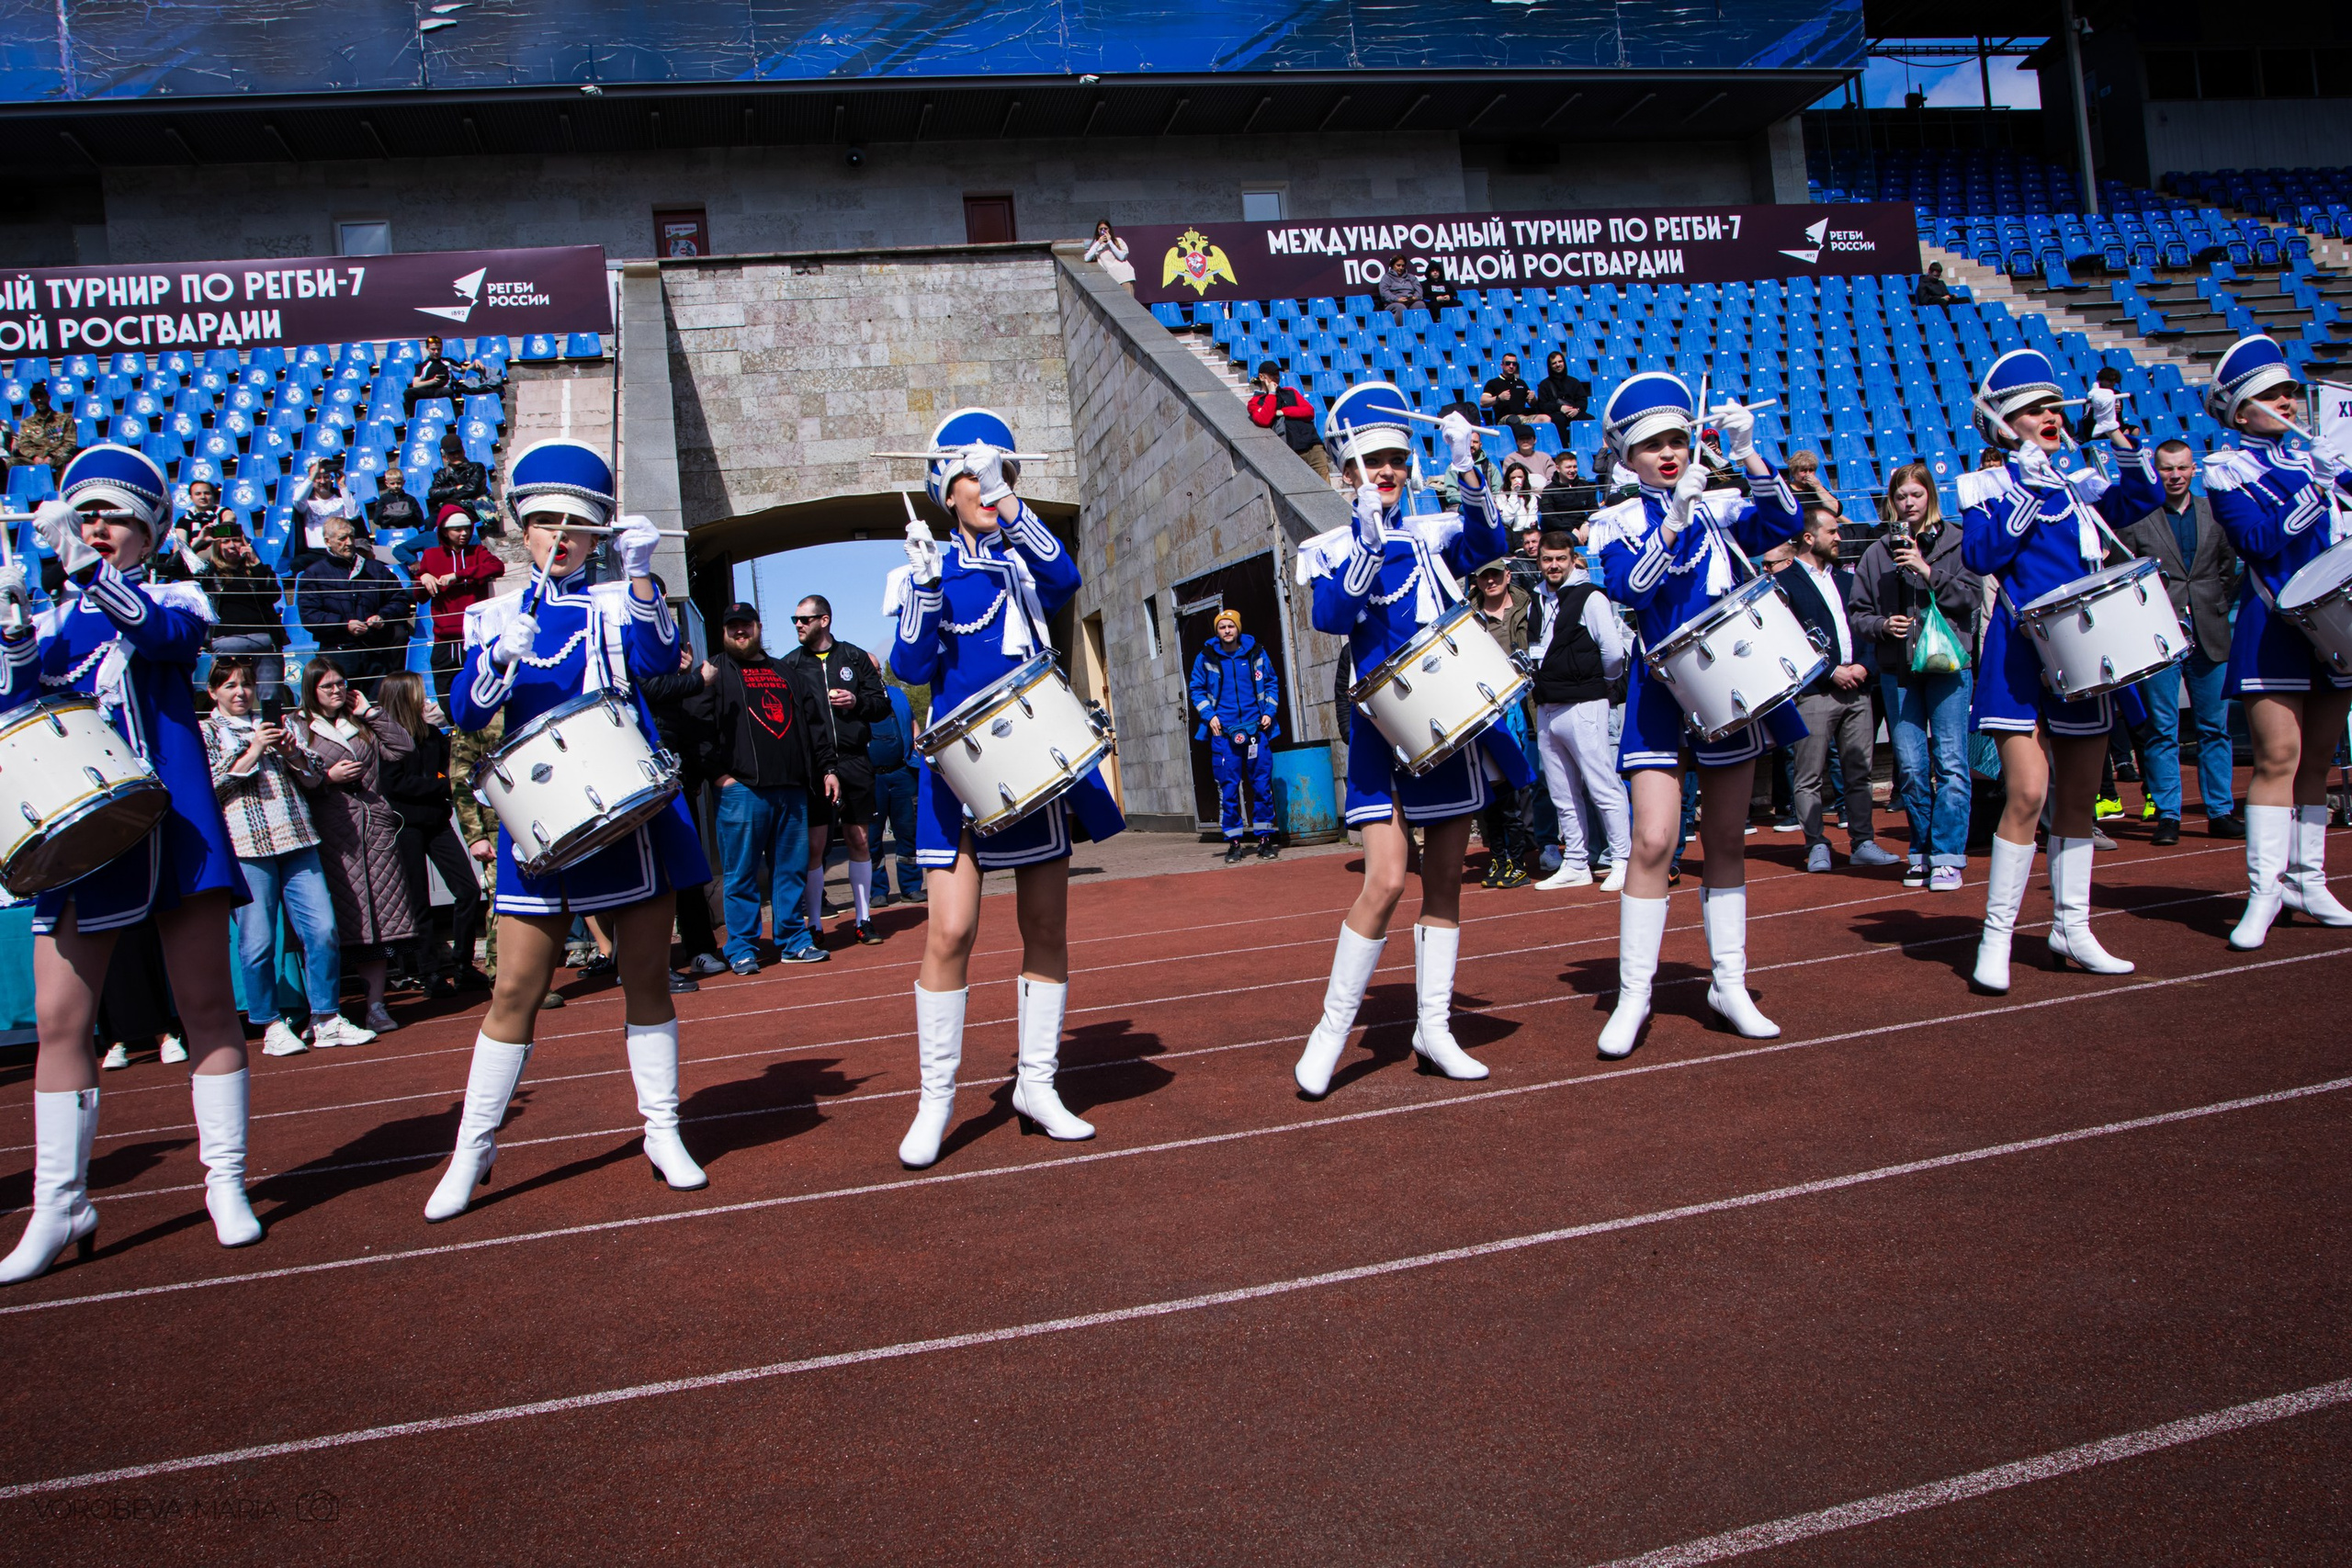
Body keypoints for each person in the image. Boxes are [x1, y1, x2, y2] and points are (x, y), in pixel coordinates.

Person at [424, 440, 714, 1221]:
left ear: (596, 533)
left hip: (629, 812)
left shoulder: (620, 601)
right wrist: (493, 665)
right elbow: (466, 715)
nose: (560, 535)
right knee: (516, 986)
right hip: (539, 823)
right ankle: (473, 1151)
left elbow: (659, 659)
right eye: (545, 521)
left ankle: (663, 1131)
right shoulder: (489, 613)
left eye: (576, 524)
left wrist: (645, 573)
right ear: (521, 530)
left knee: (646, 975)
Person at [0, 446, 265, 1283]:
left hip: (176, 826)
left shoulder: (173, 592)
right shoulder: (53, 621)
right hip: (84, 837)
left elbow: (167, 639)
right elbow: (17, 705)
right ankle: (60, 1201)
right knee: (60, 1021)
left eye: (113, 517)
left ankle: (225, 1180)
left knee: (208, 1008)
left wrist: (85, 571)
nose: (97, 528)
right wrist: (11, 628)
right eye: (86, 518)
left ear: (149, 530)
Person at [885, 407, 1126, 1166]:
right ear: (943, 491)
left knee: (1046, 927)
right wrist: (925, 589)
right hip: (960, 770)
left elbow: (1067, 578)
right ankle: (935, 1100)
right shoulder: (920, 567)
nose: (987, 487)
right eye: (972, 477)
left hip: (1035, 762)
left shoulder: (1026, 556)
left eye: (1001, 474)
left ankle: (1038, 1083)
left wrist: (1012, 505)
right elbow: (911, 668)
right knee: (951, 931)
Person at [1291, 382, 1532, 1097]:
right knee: (1388, 879)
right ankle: (1332, 1030)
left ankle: (1434, 1026)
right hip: (1380, 729)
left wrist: (1467, 466)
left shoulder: (1433, 532)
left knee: (1448, 878)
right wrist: (1365, 540)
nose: (1385, 471)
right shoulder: (1330, 546)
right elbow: (1333, 616)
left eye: (1395, 458)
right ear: (1344, 471)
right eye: (1370, 461)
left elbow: (1490, 547)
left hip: (1449, 719)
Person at [1588, 373, 1805, 1057]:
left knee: (1728, 838)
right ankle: (1633, 996)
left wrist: (1749, 454)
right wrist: (1676, 519)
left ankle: (1729, 984)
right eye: (1653, 445)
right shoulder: (1617, 520)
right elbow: (1631, 589)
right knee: (1652, 841)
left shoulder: (1721, 504)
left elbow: (1787, 524)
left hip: (1729, 683)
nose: (1669, 453)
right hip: (1660, 686)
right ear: (1628, 456)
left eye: (1678, 439)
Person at [1959, 348, 2165, 991]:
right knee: (2027, 791)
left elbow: (2145, 495)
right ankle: (1996, 937)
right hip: (2021, 650)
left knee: (2079, 795)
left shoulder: (2081, 481)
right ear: (2004, 422)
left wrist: (2113, 434)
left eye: (2054, 406)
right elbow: (1981, 553)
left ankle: (2071, 926)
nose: (2050, 416)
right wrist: (2024, 488)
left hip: (2085, 648)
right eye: (2033, 409)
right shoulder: (1985, 485)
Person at [2199, 335, 2352, 947]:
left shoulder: (2318, 460)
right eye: (2271, 395)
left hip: (2333, 623)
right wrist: (2313, 491)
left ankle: (2309, 878)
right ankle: (2265, 888)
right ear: (2240, 411)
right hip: (2272, 625)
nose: (2288, 401)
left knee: (2319, 758)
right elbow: (2259, 542)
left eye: (2290, 391)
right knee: (2277, 759)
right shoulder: (2227, 468)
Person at [202, 659, 374, 1055]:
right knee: (258, 942)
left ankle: (326, 1018)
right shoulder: (208, 731)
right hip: (248, 847)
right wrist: (253, 749)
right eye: (229, 686)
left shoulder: (287, 725)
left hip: (298, 838)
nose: (240, 692)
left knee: (323, 932)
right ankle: (270, 1024)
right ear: (213, 693)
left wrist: (291, 751)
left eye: (245, 684)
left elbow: (315, 778)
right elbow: (213, 787)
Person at [1849, 462, 1983, 890]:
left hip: (1948, 665)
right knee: (1909, 767)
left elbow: (1970, 599)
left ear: (1931, 497)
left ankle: (1948, 855)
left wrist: (1927, 571)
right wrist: (1883, 627)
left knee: (1952, 763)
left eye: (1916, 495)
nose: (1908, 504)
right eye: (1901, 497)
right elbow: (1859, 615)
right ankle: (1922, 850)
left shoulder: (1959, 541)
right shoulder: (1876, 553)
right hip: (1898, 669)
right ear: (1892, 500)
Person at [693, 602, 838, 973]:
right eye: (732, 628)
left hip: (791, 788)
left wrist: (827, 769)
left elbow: (816, 724)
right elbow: (699, 730)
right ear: (724, 633)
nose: (740, 633)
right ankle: (741, 946)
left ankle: (792, 940)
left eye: (746, 626)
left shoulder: (786, 672)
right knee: (741, 874)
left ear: (759, 627)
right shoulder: (713, 673)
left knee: (790, 871)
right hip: (743, 791)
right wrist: (720, 776)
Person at [2117, 438, 2242, 845]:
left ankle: (2220, 810)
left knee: (2214, 727)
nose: (2175, 475)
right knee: (2162, 728)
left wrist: (2213, 604)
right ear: (2157, 470)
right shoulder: (2138, 517)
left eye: (2182, 468)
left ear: (2194, 470)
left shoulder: (2215, 512)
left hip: (2211, 629)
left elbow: (2228, 570)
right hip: (2159, 636)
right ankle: (2168, 814)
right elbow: (2123, 573)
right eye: (2167, 468)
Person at [292, 657, 417, 1035]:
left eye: (340, 683)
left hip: (373, 832)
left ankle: (376, 1007)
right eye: (327, 686)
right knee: (329, 926)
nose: (336, 691)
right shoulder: (298, 725)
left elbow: (403, 748)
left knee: (376, 924)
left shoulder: (360, 722)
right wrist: (326, 777)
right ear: (312, 690)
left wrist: (371, 711)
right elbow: (294, 776)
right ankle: (323, 1012)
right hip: (332, 835)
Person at [1781, 504, 1900, 872]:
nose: (1839, 537)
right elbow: (1786, 641)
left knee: (1858, 770)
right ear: (1809, 537)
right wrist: (1831, 671)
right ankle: (1816, 843)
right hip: (1816, 692)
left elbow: (1867, 626)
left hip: (1859, 688)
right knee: (1809, 775)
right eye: (1832, 531)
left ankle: (1863, 841)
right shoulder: (1784, 584)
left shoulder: (1849, 581)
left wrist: (1864, 664)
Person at [1524, 529, 1631, 891]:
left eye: (1560, 559)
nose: (1553, 565)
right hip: (1548, 706)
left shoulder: (1590, 597)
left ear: (1573, 560)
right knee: (1561, 792)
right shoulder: (1535, 600)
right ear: (1539, 562)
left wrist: (1600, 682)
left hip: (1585, 703)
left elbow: (1613, 652)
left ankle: (1622, 860)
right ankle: (1576, 863)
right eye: (1547, 560)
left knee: (1602, 785)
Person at [786, 595, 889, 946]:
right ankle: (814, 923)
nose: (798, 625)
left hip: (855, 760)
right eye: (795, 620)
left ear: (824, 620)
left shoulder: (854, 657)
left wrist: (856, 701)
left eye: (804, 619)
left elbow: (881, 706)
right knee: (815, 845)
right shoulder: (790, 665)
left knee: (858, 839)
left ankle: (864, 919)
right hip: (814, 765)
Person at [377, 671, 483, 998]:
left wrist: (440, 773)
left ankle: (463, 965)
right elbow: (395, 783)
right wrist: (440, 784)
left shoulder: (432, 734)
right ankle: (429, 973)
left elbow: (446, 768)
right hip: (405, 825)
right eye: (420, 695)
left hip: (437, 821)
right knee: (418, 901)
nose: (427, 701)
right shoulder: (385, 737)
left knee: (468, 890)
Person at [1188, 606, 1283, 861]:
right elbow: (1196, 688)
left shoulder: (1256, 652)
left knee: (1262, 786)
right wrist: (1210, 716)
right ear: (1217, 631)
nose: (1227, 630)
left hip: (1257, 730)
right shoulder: (1206, 657)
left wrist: (1269, 713)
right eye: (1222, 627)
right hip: (1224, 734)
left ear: (1238, 628)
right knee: (1228, 789)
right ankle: (1234, 843)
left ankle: (1264, 840)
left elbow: (1272, 683)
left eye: (1231, 626)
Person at [1466, 558, 1537, 889]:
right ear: (1477, 582)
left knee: (1515, 791)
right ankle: (1499, 858)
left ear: (1507, 575)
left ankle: (1520, 860)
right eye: (1484, 577)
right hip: (1484, 714)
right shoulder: (1468, 617)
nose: (1490, 581)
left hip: (1520, 710)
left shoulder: (1528, 605)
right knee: (1492, 794)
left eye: (1495, 574)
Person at [298, 517, 413, 697]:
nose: (349, 543)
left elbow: (399, 601)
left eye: (351, 537)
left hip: (376, 652)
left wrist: (382, 617)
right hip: (337, 655)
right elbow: (309, 616)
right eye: (342, 538)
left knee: (377, 709)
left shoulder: (376, 570)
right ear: (327, 541)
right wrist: (344, 625)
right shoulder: (313, 574)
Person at [411, 503, 504, 696]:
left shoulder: (477, 552)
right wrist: (422, 579)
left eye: (467, 528)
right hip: (444, 639)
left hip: (475, 637)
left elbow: (497, 567)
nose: (464, 533)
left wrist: (458, 575)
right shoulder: (431, 555)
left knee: (479, 688)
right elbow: (419, 597)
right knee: (445, 690)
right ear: (444, 532)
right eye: (457, 529)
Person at [196, 521, 289, 709]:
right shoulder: (209, 572)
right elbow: (176, 567)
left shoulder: (257, 569)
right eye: (225, 541)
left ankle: (271, 733)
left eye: (236, 541)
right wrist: (199, 542)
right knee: (230, 693)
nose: (232, 546)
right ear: (217, 546)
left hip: (264, 639)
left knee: (271, 698)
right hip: (226, 640)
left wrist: (256, 563)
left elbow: (273, 594)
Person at [867, 681, 925, 906]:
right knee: (871, 838)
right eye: (869, 669)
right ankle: (877, 891)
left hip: (903, 773)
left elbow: (911, 722)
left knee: (907, 833)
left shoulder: (896, 695)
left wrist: (915, 746)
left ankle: (911, 887)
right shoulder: (855, 699)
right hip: (871, 778)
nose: (874, 673)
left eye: (877, 669)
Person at [1248, 361, 1329, 481]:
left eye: (1277, 374)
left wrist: (1284, 412)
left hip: (1313, 446)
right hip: (1291, 451)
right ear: (1261, 377)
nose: (1276, 377)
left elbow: (1309, 411)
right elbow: (1264, 420)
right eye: (1272, 374)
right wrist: (1271, 394)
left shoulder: (1290, 391)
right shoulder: (1255, 402)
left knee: (1326, 487)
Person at [286, 458, 361, 577]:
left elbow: (353, 514)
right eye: (318, 477)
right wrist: (311, 476)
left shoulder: (340, 499)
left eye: (326, 477)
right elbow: (297, 499)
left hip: (339, 551)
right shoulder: (306, 502)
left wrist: (342, 486)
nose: (322, 481)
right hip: (314, 553)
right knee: (298, 563)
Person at [11, 381, 74, 481]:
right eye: (35, 398)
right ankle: (24, 491)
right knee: (13, 462)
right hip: (35, 458)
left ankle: (60, 491)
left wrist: (51, 456)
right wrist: (34, 457)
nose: (39, 400)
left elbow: (70, 443)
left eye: (41, 396)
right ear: (31, 402)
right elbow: (24, 445)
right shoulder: (26, 423)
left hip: (56, 457)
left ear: (48, 398)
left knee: (63, 460)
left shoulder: (65, 419)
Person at [427, 431, 492, 521]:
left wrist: (448, 500)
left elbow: (471, 489)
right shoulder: (442, 473)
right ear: (445, 457)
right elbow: (433, 492)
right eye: (452, 453)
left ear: (464, 451)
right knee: (430, 522)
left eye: (458, 451)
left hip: (471, 508)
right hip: (448, 509)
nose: (456, 455)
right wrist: (455, 488)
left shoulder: (476, 467)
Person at [367, 465, 428, 540]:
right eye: (392, 483)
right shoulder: (383, 499)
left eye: (398, 483)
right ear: (387, 483)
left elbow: (419, 519)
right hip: (389, 531)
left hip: (409, 530)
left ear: (404, 482)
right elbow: (377, 519)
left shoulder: (410, 499)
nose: (396, 486)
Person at [1532, 350, 1591, 427]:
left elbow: (1582, 400)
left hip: (1573, 412)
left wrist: (1577, 409)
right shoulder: (1544, 384)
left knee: (1589, 419)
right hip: (1555, 414)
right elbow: (1543, 405)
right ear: (1550, 366)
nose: (1558, 365)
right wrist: (1560, 408)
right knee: (1559, 420)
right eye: (1554, 363)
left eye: (1560, 361)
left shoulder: (1574, 381)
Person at [1482, 352, 1536, 424]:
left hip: (1523, 418)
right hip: (1504, 419)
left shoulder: (1521, 383)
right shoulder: (1493, 383)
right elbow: (1482, 402)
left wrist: (1533, 398)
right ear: (1502, 365)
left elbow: (1532, 404)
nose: (1511, 366)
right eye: (1508, 363)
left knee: (1545, 418)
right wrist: (1499, 398)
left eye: (1514, 364)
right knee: (1513, 419)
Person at [1499, 421, 1555, 491]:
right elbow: (1510, 480)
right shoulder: (1510, 459)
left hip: (1543, 492)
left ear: (1534, 440)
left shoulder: (1545, 457)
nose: (1525, 441)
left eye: (1528, 438)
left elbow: (1552, 479)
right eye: (1521, 439)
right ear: (1517, 442)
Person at [1084, 220, 1135, 293]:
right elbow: (1087, 258)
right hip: (1111, 279)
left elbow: (1122, 257)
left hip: (1124, 277)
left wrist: (1110, 242)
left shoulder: (1118, 241)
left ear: (1109, 229)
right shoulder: (1097, 245)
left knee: (1127, 302)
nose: (1103, 231)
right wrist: (1098, 242)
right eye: (1101, 229)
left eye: (1105, 228)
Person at [1495, 462, 1543, 539]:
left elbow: (1532, 519)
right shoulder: (1501, 495)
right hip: (1510, 533)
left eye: (1520, 477)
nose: (1517, 480)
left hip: (1526, 533)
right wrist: (1514, 493)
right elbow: (1507, 520)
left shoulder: (1531, 497)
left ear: (1525, 478)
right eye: (1513, 478)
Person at [1378, 253, 1424, 322]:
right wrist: (1397, 299)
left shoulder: (1411, 277)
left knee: (1420, 304)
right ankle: (1400, 330)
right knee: (1400, 307)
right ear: (1392, 265)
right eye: (1398, 265)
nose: (1401, 268)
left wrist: (1415, 298)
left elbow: (1419, 290)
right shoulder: (1386, 277)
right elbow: (1384, 293)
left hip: (1410, 302)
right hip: (1393, 303)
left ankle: (1416, 328)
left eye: (1403, 266)